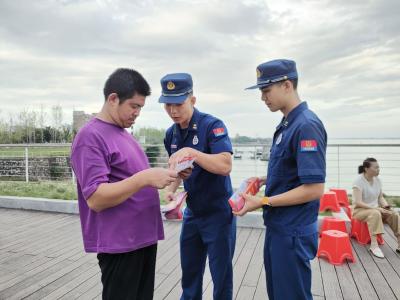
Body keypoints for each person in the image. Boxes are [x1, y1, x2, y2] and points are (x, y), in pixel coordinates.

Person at [70, 68, 178, 300]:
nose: (137, 113)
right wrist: (146, 178)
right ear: (113, 99)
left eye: (140, 107)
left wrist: (169, 183)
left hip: (143, 238)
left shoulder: (123, 133)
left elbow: (130, 183)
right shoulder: (90, 137)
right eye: (134, 106)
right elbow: (96, 198)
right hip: (120, 244)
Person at [235, 59, 327, 300]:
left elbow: (314, 188)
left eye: (266, 90)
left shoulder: (306, 125)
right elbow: (294, 171)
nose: (263, 97)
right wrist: (265, 179)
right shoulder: (288, 123)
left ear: (287, 85)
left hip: (292, 230)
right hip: (279, 227)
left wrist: (263, 201)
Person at [159, 73, 236, 300]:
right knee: (190, 274)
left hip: (218, 213)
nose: (173, 110)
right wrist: (171, 190)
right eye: (168, 104)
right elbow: (177, 171)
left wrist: (194, 153)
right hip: (192, 212)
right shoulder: (170, 134)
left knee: (221, 276)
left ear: (192, 100)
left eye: (179, 104)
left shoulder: (212, 126)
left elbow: (225, 164)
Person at [352, 157, 400, 258]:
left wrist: (386, 206)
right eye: (376, 167)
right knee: (375, 213)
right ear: (366, 169)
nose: (378, 169)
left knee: (395, 214)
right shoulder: (358, 181)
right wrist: (375, 208)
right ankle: (374, 246)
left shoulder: (378, 180)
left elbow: (380, 197)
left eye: (379, 167)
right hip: (360, 211)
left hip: (375, 210)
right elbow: (358, 202)